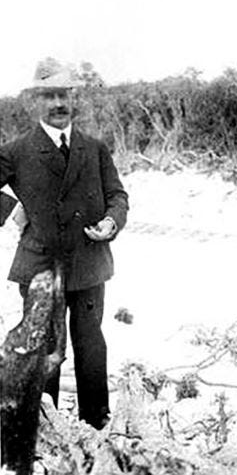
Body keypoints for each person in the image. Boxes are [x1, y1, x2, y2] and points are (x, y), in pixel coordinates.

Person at [0, 59, 129, 429]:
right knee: (45, 350)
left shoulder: (94, 148)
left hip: (89, 263)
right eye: (49, 96)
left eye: (64, 95)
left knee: (91, 345)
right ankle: (47, 426)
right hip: (40, 265)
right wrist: (12, 212)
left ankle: (96, 423)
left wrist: (110, 221)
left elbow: (117, 195)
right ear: (35, 102)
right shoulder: (17, 150)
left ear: (74, 98)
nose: (58, 104)